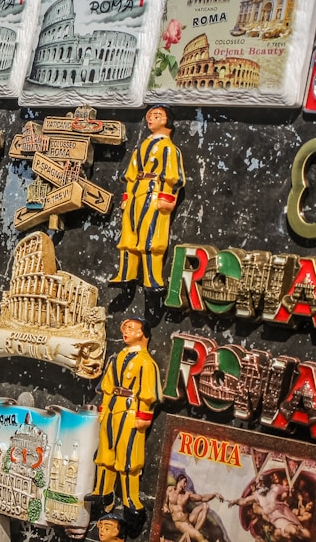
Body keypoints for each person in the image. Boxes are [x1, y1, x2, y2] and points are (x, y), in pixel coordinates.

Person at [111, 105, 185, 325]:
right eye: (150, 116)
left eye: (157, 115)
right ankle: (126, 274)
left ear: (167, 120)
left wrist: (168, 196)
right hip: (137, 193)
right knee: (129, 236)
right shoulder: (142, 146)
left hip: (154, 192)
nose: (151, 119)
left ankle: (153, 280)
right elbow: (131, 175)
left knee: (151, 239)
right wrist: (126, 198)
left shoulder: (169, 149)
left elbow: (174, 177)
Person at [90, 318, 160, 536]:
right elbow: (108, 386)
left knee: (128, 458)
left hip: (130, 411)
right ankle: (103, 492)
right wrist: (103, 410)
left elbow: (148, 393)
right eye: (125, 328)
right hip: (113, 409)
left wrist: (144, 415)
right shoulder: (118, 357)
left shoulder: (146, 362)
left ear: (143, 333)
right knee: (105, 454)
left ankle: (132, 501)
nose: (126, 332)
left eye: (131, 328)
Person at [164, 474, 221, 542]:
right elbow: (165, 502)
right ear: (179, 480)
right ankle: (194, 533)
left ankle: (193, 532)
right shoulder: (170, 490)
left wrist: (214, 495)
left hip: (188, 519)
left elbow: (202, 498)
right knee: (198, 536)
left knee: (205, 506)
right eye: (184, 482)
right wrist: (165, 507)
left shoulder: (187, 495)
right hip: (180, 523)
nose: (185, 485)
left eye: (186, 483)